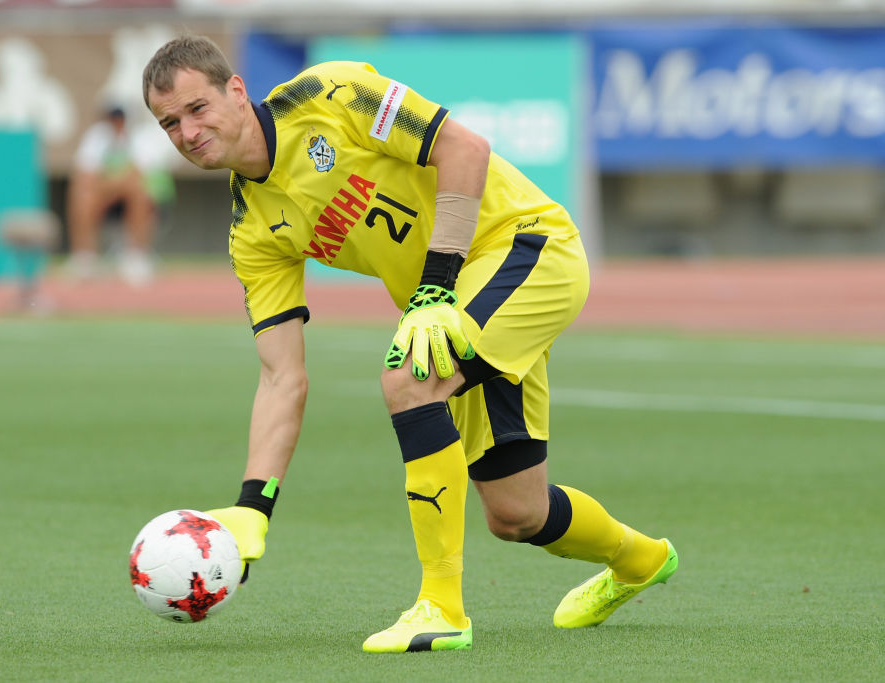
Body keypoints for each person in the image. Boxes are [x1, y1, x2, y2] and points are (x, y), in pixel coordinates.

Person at [142, 36, 678, 653]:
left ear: (236, 91)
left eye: (197, 108)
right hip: (452, 304)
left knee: (410, 379)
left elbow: (464, 148)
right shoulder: (251, 231)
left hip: (526, 246)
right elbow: (280, 375)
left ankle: (441, 609)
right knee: (516, 514)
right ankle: (641, 560)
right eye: (170, 124)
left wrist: (435, 288)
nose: (187, 132)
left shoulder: (328, 93)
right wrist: (251, 505)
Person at [65, 105, 165, 286]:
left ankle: (136, 257)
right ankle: (84, 257)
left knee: (141, 193)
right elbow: (85, 175)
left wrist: (112, 185)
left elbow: (140, 174)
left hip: (128, 197)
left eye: (119, 120)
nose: (116, 124)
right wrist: (109, 188)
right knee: (81, 197)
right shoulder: (96, 136)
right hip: (102, 197)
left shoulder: (140, 136)